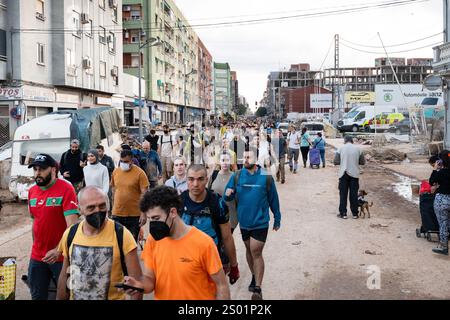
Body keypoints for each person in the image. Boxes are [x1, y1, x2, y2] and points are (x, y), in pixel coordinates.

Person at [121, 186, 231, 300]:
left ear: (173, 212)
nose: (153, 225)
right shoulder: (152, 240)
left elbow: (221, 285)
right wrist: (139, 286)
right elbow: (149, 279)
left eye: (156, 218)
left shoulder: (203, 243)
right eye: (150, 219)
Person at [56, 186, 143, 300]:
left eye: (102, 206)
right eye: (91, 208)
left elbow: (137, 282)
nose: (97, 211)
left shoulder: (122, 235)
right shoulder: (70, 234)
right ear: (79, 209)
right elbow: (65, 274)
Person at [224, 147, 281, 300]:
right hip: (244, 222)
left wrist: (277, 217)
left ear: (256, 159)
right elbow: (227, 197)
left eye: (249, 157)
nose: (245, 160)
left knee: (256, 251)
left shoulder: (265, 176)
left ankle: (258, 288)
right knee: (249, 250)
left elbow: (273, 199)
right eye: (244, 157)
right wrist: (228, 194)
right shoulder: (237, 176)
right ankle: (255, 276)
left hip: (260, 221)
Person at [27, 154, 79, 300]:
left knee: (68, 295)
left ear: (54, 170)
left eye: (42, 169)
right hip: (38, 256)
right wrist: (36, 246)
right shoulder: (32, 191)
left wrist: (58, 250)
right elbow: (35, 221)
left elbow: (72, 226)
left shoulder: (66, 189)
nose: (37, 173)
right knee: (37, 295)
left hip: (62, 258)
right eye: (35, 169)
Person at [181, 164, 240, 282]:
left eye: (200, 179)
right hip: (184, 261)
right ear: (186, 180)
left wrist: (234, 266)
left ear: (207, 180)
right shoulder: (178, 202)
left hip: (212, 262)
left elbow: (227, 237)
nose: (195, 184)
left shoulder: (218, 203)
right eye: (191, 179)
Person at [111, 150, 149, 242]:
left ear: (132, 161)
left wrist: (143, 213)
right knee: (118, 242)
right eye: (122, 161)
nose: (123, 163)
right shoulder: (116, 172)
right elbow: (113, 190)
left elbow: (145, 194)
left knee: (131, 243)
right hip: (117, 214)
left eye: (126, 161)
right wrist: (112, 209)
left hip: (134, 215)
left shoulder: (140, 173)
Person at [333, 136, 366, 219]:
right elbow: (362, 162)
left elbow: (336, 161)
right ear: (352, 141)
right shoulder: (358, 149)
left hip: (343, 174)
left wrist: (344, 160)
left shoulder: (340, 148)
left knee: (343, 194)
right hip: (354, 174)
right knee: (354, 194)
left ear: (345, 141)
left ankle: (343, 213)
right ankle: (355, 213)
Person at [209, 152, 238, 233]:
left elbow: (240, 197)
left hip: (230, 217)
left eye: (227, 160)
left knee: (227, 240)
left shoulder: (235, 176)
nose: (225, 163)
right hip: (215, 215)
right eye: (223, 160)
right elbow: (208, 192)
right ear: (219, 161)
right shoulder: (214, 175)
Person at [429, 150, 450, 255]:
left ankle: (444, 247)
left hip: (442, 201)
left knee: (443, 224)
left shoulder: (441, 172)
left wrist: (435, 169)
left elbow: (431, 182)